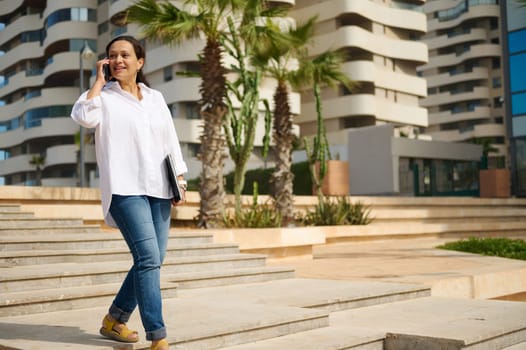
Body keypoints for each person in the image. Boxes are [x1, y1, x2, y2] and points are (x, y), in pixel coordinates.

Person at [71, 35, 187, 350]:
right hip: (125, 189)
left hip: (160, 188)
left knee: (152, 258)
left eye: (124, 55)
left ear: (140, 61)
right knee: (148, 257)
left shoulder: (155, 98)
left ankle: (115, 319)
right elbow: (83, 116)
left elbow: (170, 140)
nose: (118, 60)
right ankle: (158, 336)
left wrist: (180, 177)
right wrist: (97, 80)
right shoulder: (102, 97)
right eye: (112, 56)